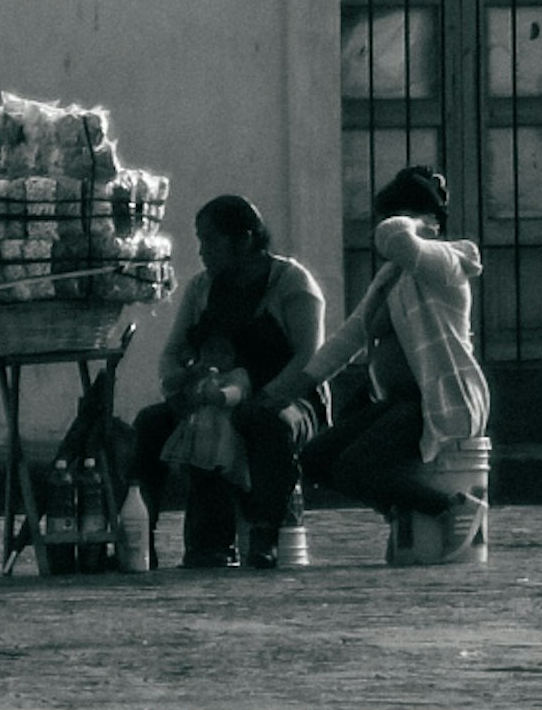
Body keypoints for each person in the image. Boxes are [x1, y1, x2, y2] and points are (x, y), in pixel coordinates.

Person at [259, 163, 492, 563]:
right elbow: (346, 340)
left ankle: (452, 507)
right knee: (316, 459)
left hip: (436, 400)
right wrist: (286, 391)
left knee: (355, 467)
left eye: (389, 216)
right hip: (397, 402)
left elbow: (395, 237)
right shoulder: (392, 277)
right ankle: (403, 508)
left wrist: (415, 220)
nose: (377, 230)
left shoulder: (446, 262)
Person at [132, 196, 324, 569]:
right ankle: (144, 539)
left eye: (211, 241)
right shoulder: (201, 288)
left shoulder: (292, 283)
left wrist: (267, 397)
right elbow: (173, 353)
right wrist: (177, 388)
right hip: (214, 397)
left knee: (265, 424)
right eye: (200, 240)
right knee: (151, 424)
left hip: (288, 400)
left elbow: (308, 357)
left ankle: (265, 536)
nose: (202, 251)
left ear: (245, 240)